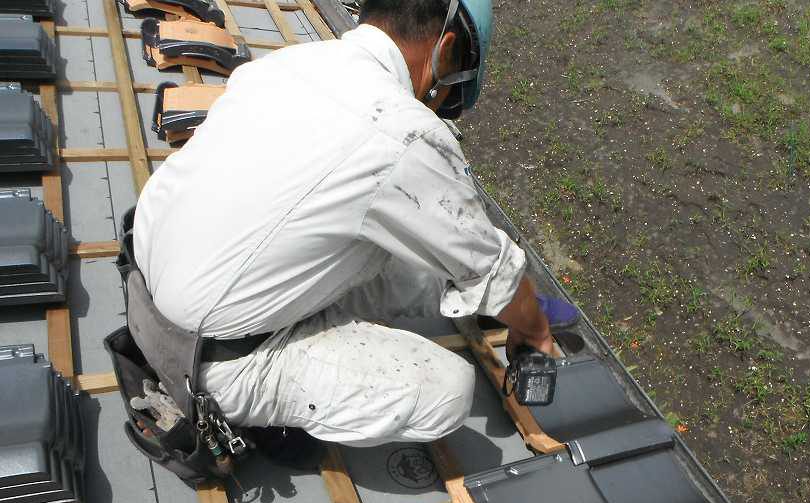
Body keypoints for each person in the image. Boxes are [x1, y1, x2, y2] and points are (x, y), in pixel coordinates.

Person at [130, 0, 575, 448]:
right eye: (451, 83)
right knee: (447, 392)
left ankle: (513, 304)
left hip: (149, 289)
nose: (438, 99)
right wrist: (533, 331)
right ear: (446, 48)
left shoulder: (288, 62)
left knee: (421, 260)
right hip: (211, 358)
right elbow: (485, 264)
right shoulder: (403, 132)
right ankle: (262, 413)